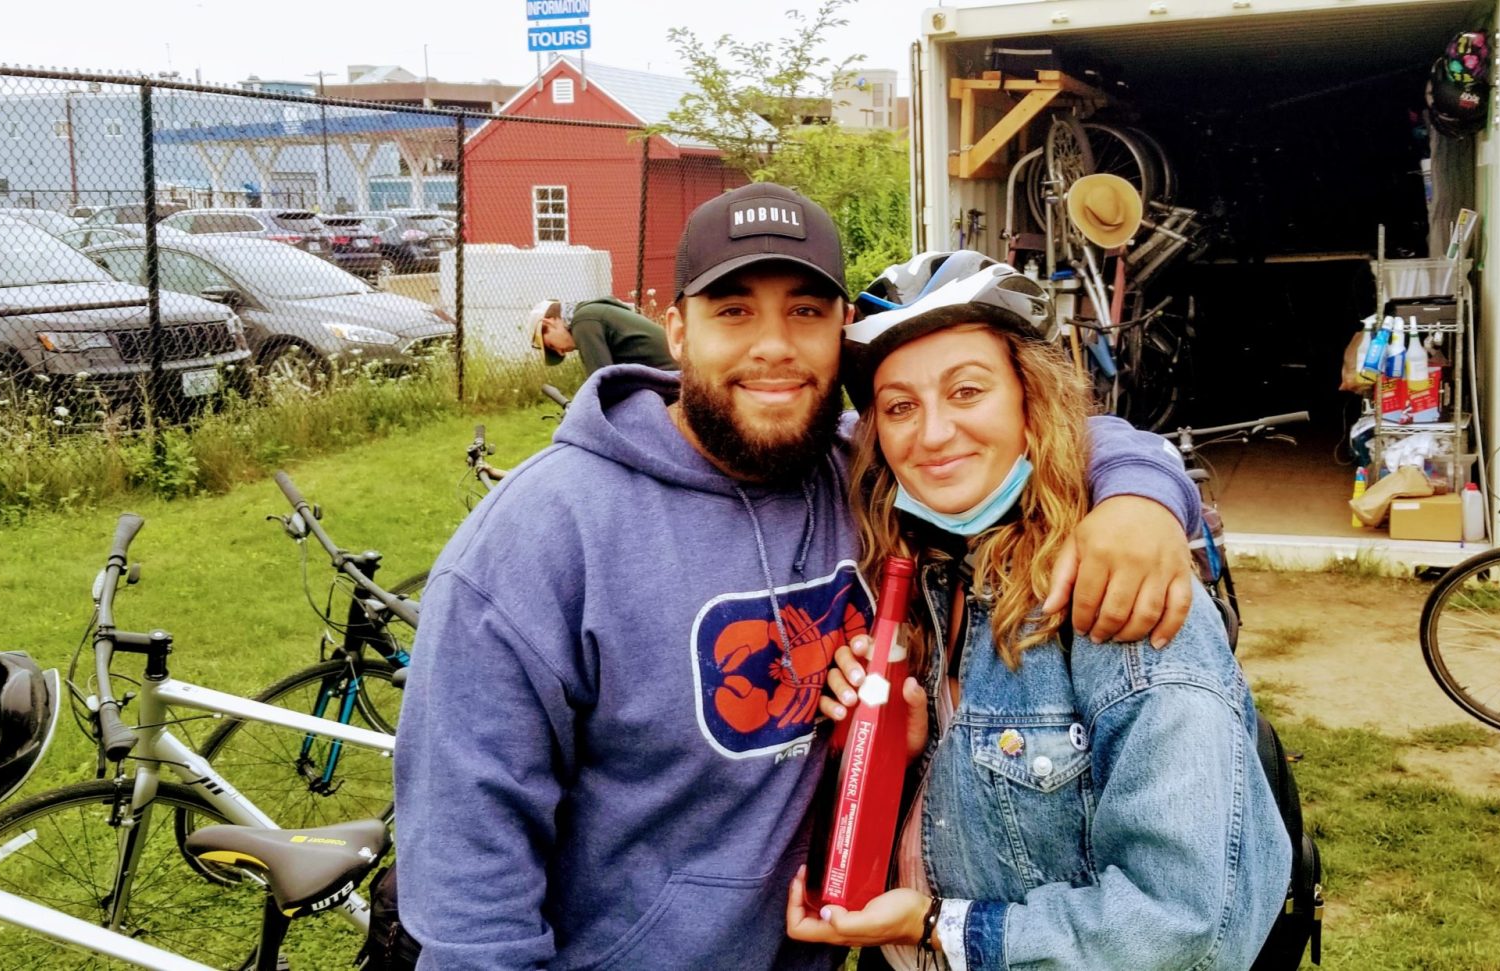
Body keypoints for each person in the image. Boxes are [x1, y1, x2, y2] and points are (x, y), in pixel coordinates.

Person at [394, 184, 1205, 971]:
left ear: (842, 328)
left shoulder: (861, 470)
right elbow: (470, 868)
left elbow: (1029, 427)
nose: (774, 345)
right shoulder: (537, 543)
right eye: (734, 309)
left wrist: (1141, 498)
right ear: (676, 328)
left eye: (806, 312)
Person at [786, 251, 1292, 970]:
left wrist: (941, 926)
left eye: (967, 391)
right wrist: (898, 759)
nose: (931, 434)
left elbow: (1189, 925)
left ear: (1033, 401)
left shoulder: (1115, 592)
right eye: (900, 406)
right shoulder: (925, 585)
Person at [530, 294, 677, 375]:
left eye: (551, 346)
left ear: (549, 323)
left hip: (672, 376)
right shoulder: (591, 312)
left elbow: (602, 380)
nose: (560, 352)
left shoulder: (583, 321)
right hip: (675, 371)